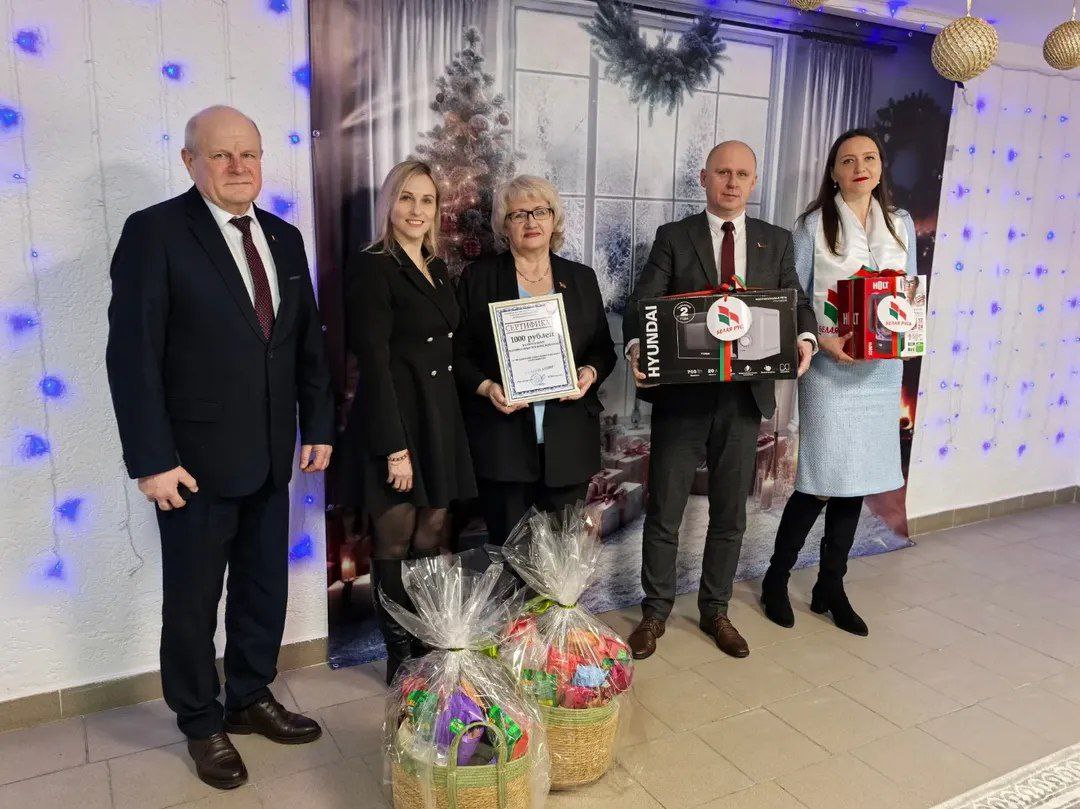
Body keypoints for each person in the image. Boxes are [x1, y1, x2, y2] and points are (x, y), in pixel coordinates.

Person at [105, 106, 334, 790]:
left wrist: (319, 425)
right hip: (191, 467)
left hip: (270, 454)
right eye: (221, 155)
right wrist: (152, 459)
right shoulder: (154, 233)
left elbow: (306, 345)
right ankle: (201, 720)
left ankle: (249, 696)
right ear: (190, 161)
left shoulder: (285, 238)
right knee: (193, 601)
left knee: (263, 588)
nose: (238, 167)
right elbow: (133, 355)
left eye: (249, 154)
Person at [622, 141, 818, 660]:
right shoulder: (674, 236)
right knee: (664, 511)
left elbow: (796, 302)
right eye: (723, 172)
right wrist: (639, 347)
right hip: (682, 400)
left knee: (730, 514)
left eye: (742, 174)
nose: (732, 183)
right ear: (704, 178)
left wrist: (805, 338)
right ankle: (654, 613)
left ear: (754, 182)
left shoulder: (776, 241)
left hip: (743, 401)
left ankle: (716, 611)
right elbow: (643, 302)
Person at [761, 128, 917, 637]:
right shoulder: (812, 226)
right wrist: (822, 341)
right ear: (833, 171)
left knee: (856, 483)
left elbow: (909, 293)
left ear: (880, 166)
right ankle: (776, 578)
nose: (859, 168)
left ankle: (831, 585)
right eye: (848, 160)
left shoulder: (900, 223)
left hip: (880, 372)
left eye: (869, 158)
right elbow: (794, 294)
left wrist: (906, 335)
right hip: (831, 370)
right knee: (821, 480)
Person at [343, 159, 476, 684]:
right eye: (406, 198)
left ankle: (425, 636)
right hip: (395, 420)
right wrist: (393, 449)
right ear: (389, 204)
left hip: (438, 418)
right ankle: (399, 653)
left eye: (426, 200)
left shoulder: (437, 267)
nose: (416, 210)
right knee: (394, 540)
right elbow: (373, 363)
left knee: (433, 532)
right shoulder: (372, 266)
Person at [455, 175, 616, 545]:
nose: (531, 222)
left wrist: (589, 373)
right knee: (510, 552)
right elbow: (459, 354)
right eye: (518, 214)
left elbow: (603, 349)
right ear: (504, 225)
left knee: (564, 556)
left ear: (553, 219)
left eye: (540, 212)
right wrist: (487, 387)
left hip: (569, 442)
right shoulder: (478, 278)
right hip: (504, 444)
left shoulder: (581, 278)